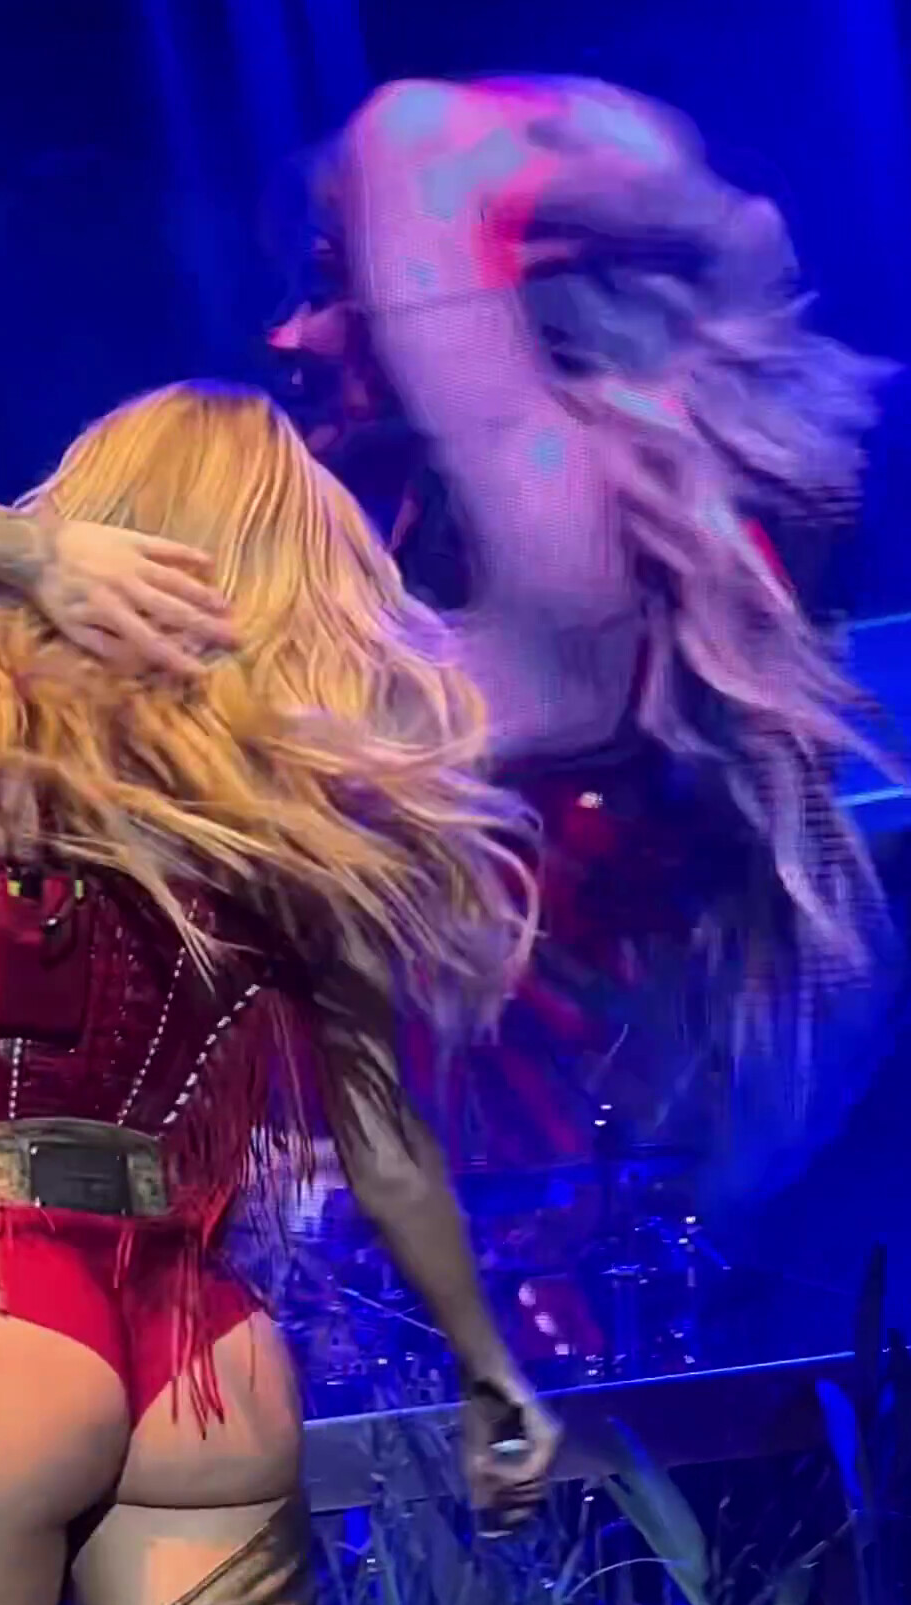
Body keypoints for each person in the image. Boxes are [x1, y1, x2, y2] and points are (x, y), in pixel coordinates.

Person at [0, 387, 560, 1605]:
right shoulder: (308, 837)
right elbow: (387, 1149)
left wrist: (14, 550)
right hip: (204, 1363)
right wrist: (492, 1372)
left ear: (105, 530)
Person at [267, 76, 897, 1176]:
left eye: (334, 286)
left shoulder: (584, 533)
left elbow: (411, 133)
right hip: (494, 1179)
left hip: (563, 1200)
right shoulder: (445, 534)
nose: (288, 336)